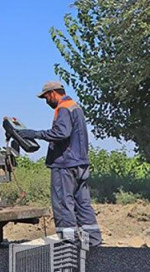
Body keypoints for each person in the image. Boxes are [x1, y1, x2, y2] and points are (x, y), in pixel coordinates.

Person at [17, 81, 102, 247]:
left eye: (46, 97)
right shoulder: (75, 106)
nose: (46, 101)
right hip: (80, 164)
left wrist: (34, 134)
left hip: (65, 165)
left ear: (53, 93)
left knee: (63, 203)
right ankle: (93, 240)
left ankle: (68, 241)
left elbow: (61, 133)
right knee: (82, 204)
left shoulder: (63, 108)